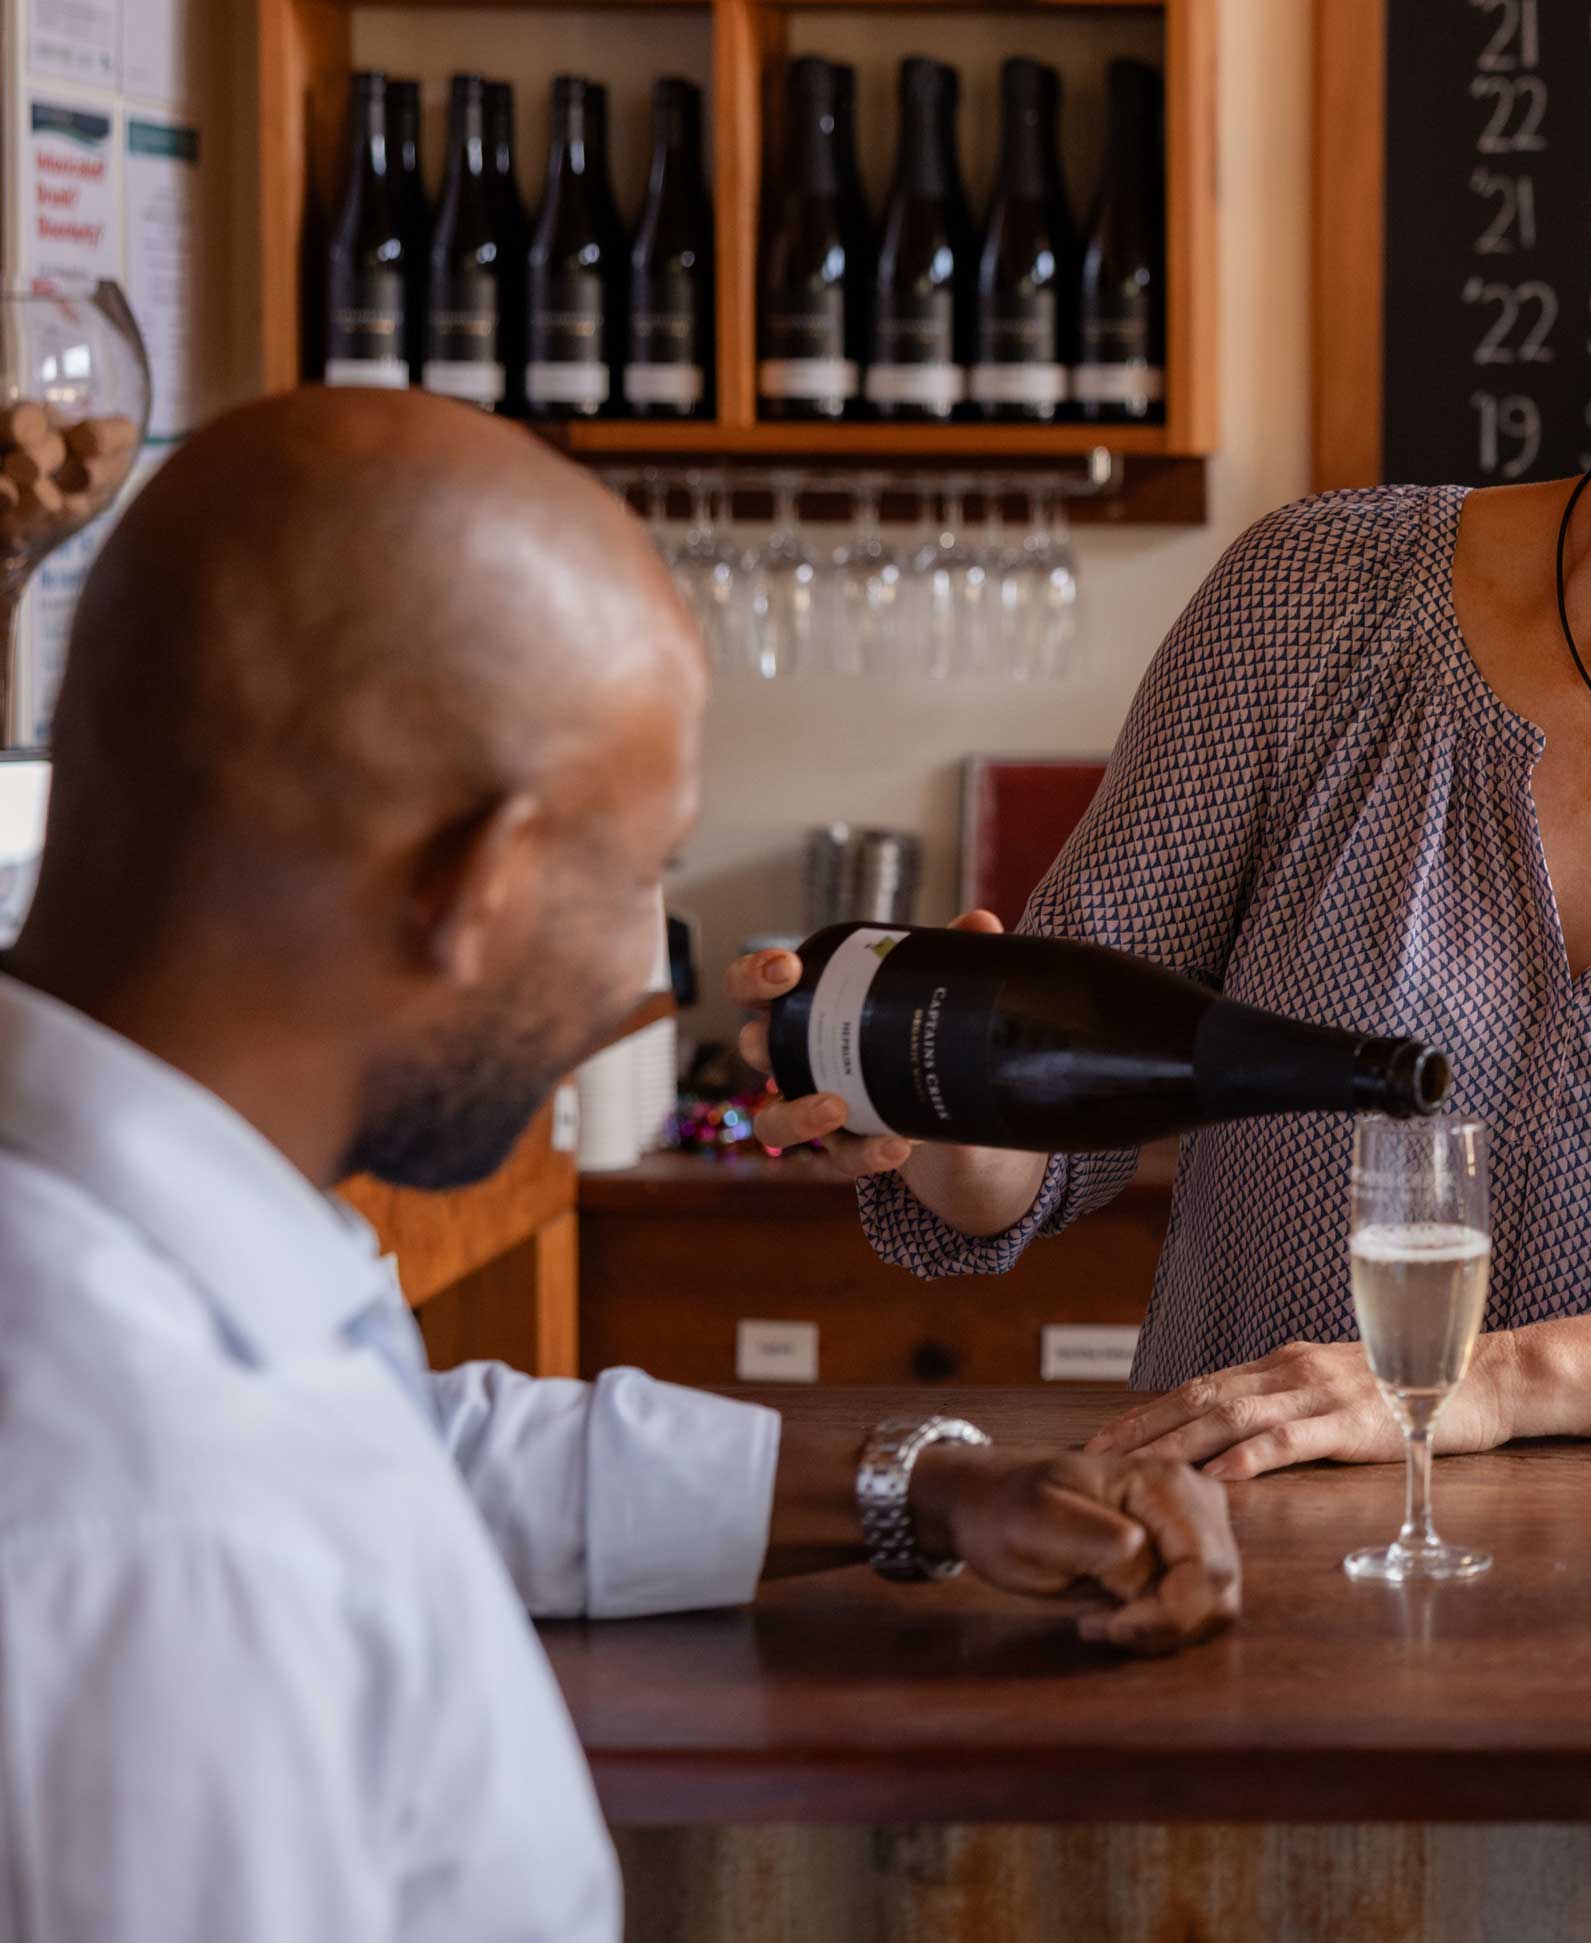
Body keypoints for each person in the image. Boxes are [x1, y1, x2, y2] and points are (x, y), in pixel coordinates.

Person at [739, 40, 1591, 1476]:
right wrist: (928, 1106)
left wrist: (1495, 1380)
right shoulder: (1316, 601)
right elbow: (1054, 1141)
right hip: (1253, 1582)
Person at [0, 392, 1239, 1943]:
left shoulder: (118, 1242)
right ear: (479, 882)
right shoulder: (166, 1535)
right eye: (642, 867)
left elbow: (420, 1457)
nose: (652, 990)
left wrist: (928, 1488)